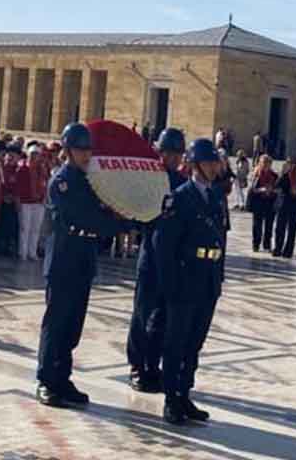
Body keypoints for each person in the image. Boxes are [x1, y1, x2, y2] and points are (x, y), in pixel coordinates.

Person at [36, 123, 130, 409]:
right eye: (80, 149)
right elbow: (83, 217)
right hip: (65, 255)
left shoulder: (90, 180)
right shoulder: (61, 182)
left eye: (88, 149)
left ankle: (63, 378)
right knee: (56, 322)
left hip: (84, 255)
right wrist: (119, 224)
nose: (86, 155)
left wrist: (125, 217)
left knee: (73, 323)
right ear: (67, 151)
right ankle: (46, 380)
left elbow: (103, 209)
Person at [155, 138, 226, 425]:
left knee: (194, 342)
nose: (213, 167)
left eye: (215, 162)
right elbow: (164, 246)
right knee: (176, 342)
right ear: (196, 165)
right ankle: (171, 399)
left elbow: (222, 239)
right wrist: (171, 286)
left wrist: (218, 278)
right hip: (185, 279)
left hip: (207, 279)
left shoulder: (216, 197)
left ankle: (184, 393)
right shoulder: (180, 197)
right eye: (208, 162)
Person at [127, 127, 187, 394]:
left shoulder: (182, 182)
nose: (172, 158)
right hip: (150, 257)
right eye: (169, 153)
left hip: (171, 261)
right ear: (159, 153)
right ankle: (137, 366)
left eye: (177, 154)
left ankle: (154, 364)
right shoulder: (148, 180)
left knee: (163, 317)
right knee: (142, 313)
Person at [15, 145, 46, 261]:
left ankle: (32, 253)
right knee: (25, 228)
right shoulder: (22, 167)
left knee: (35, 229)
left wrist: (44, 197)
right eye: (32, 154)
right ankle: (22, 252)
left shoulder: (42, 169)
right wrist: (17, 200)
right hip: (25, 202)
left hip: (38, 202)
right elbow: (18, 186)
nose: (34, 157)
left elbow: (45, 183)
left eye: (36, 154)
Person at [273, 156, 296, 258]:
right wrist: (283, 174)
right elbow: (277, 186)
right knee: (280, 228)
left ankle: (288, 251)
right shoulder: (284, 175)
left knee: (292, 230)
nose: (291, 165)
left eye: (292, 163)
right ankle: (278, 249)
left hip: (295, 206)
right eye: (289, 163)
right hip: (283, 205)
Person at [248, 154, 277, 252]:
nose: (265, 165)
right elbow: (252, 189)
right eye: (263, 163)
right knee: (257, 225)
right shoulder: (256, 174)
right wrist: (262, 189)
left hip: (270, 203)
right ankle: (255, 244)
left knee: (269, 226)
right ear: (260, 163)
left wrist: (272, 190)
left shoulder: (274, 175)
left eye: (267, 163)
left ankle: (267, 245)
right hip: (258, 203)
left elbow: (278, 189)